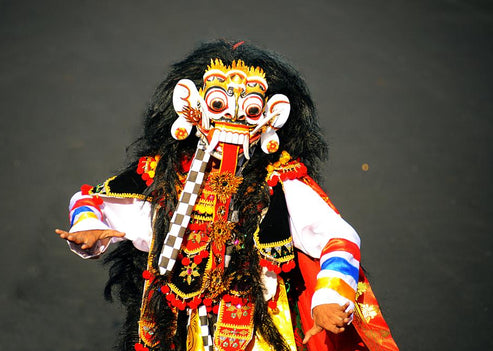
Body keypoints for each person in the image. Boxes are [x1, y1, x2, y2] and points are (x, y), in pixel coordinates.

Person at [56, 40, 398, 351]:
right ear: (189, 105)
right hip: (169, 325)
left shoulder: (278, 183)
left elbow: (338, 237)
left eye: (249, 111)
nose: (231, 118)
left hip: (251, 328)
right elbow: (92, 201)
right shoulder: (164, 176)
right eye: (219, 104)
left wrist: (329, 296)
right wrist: (88, 227)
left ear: (272, 117)